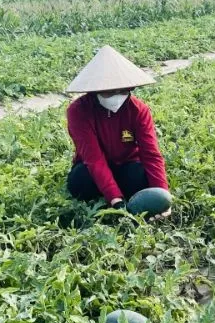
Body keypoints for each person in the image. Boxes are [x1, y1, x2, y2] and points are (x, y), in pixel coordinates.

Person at [64, 45, 171, 219]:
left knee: (140, 176)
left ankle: (115, 189)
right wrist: (116, 201)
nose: (117, 96)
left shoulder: (139, 110)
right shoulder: (78, 111)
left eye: (123, 90)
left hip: (127, 165)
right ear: (95, 89)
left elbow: (151, 155)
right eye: (110, 91)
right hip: (91, 169)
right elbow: (94, 159)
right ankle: (111, 191)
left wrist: (162, 197)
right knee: (79, 181)